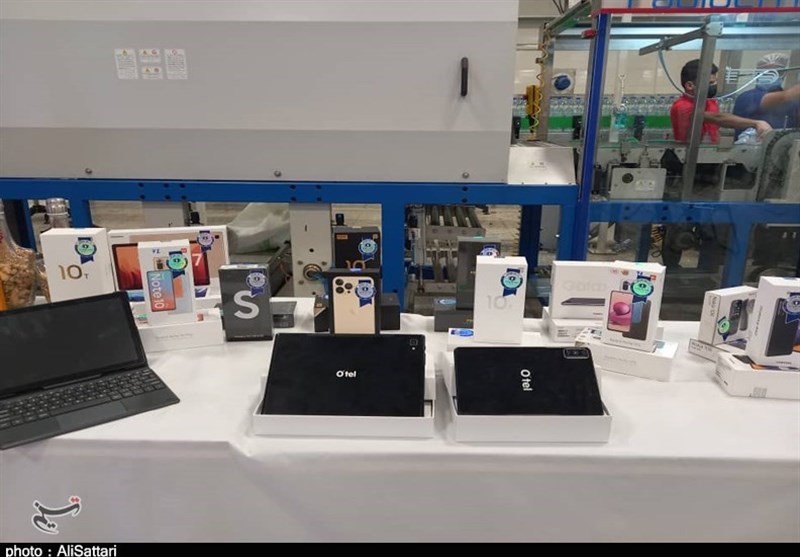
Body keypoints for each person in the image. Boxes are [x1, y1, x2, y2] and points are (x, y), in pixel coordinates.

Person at [670, 59, 772, 143]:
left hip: (708, 154)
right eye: (709, 83)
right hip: (688, 155)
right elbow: (718, 118)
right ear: (690, 85)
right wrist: (755, 123)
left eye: (714, 82)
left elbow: (715, 130)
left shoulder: (710, 102)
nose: (713, 86)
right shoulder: (682, 106)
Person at [733, 53, 800, 140]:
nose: (771, 75)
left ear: (784, 74)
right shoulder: (747, 97)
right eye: (766, 72)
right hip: (749, 146)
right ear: (757, 74)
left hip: (783, 146)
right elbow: (781, 98)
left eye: (777, 72)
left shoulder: (793, 101)